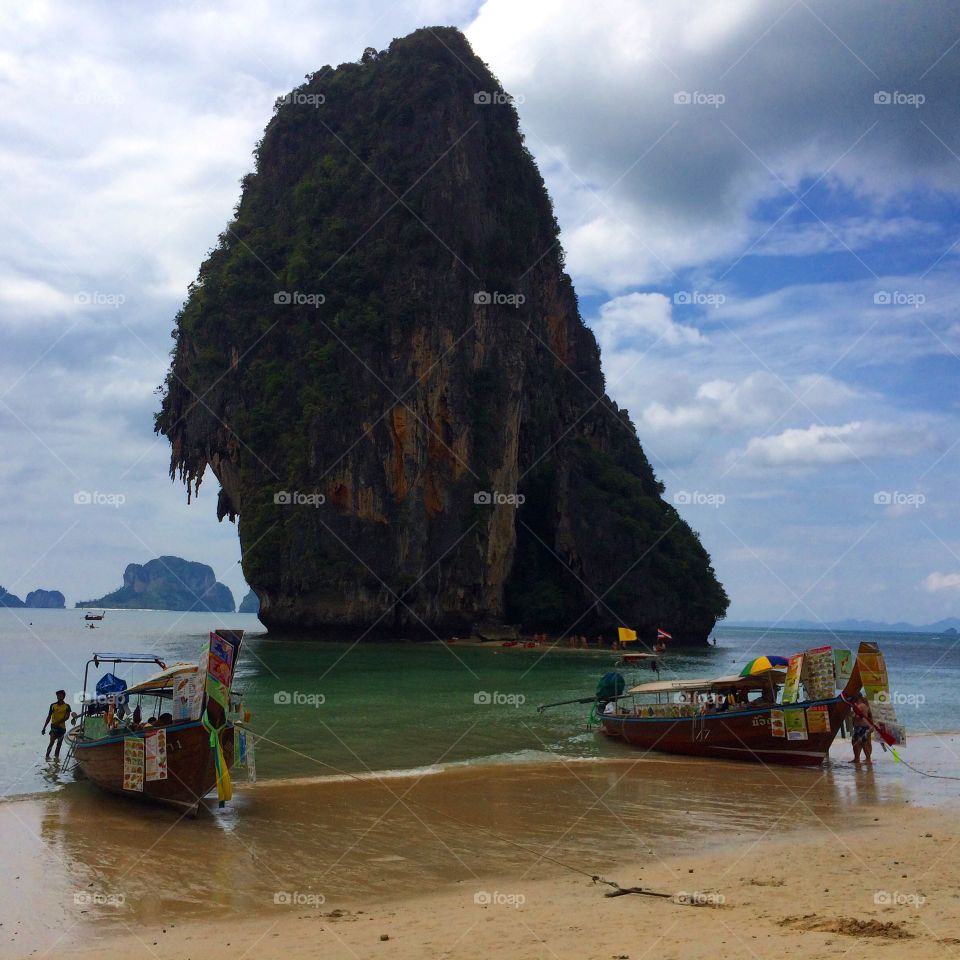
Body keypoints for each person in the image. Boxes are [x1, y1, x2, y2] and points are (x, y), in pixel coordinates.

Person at [42, 690, 73, 760]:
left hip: (62, 728)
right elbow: (49, 716)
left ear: (64, 696)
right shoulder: (53, 705)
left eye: (60, 695)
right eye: (58, 695)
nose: (59, 697)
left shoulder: (67, 706)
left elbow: (67, 717)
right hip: (54, 727)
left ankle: (56, 759)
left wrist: (59, 722)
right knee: (52, 741)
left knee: (59, 745)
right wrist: (44, 727)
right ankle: (47, 757)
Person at [850, 693, 873, 764]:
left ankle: (868, 759)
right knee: (855, 742)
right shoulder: (861, 705)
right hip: (859, 727)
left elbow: (859, 716)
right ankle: (857, 758)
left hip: (862, 727)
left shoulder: (861, 706)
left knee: (863, 743)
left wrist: (852, 715)